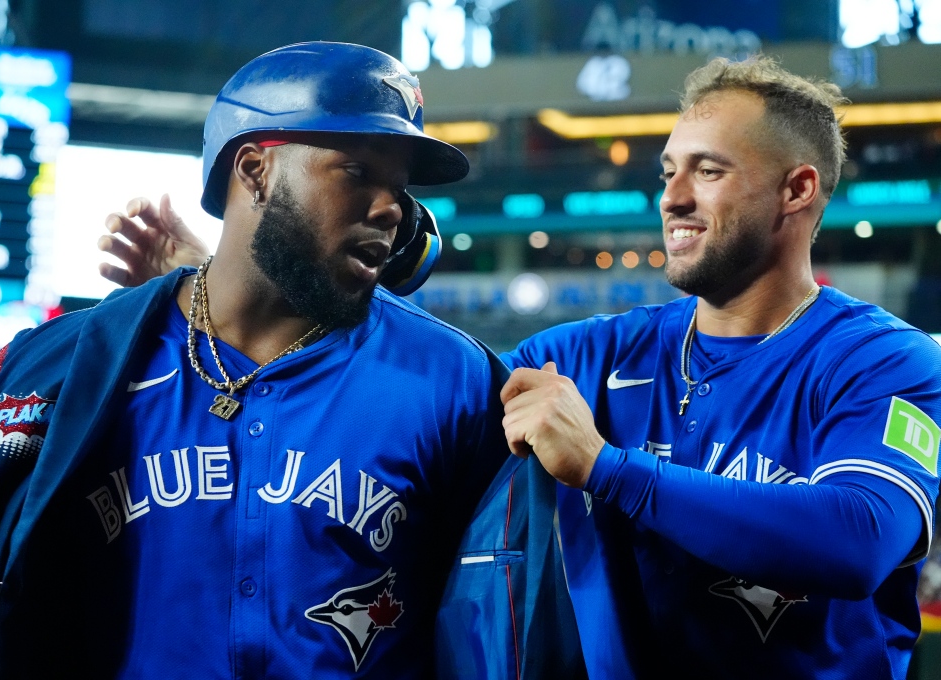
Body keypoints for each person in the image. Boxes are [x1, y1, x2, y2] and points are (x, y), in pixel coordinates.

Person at [108, 55, 941, 678]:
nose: (673, 198)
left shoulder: (883, 362)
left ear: (797, 191)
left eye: (709, 172)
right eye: (669, 172)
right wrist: (230, 277)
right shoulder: (595, 354)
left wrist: (612, 471)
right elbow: (423, 371)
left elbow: (861, 539)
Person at [0, 42, 521, 678]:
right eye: (357, 173)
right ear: (255, 170)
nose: (392, 210)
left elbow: (522, 611)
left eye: (399, 188)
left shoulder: (455, 379)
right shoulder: (68, 364)